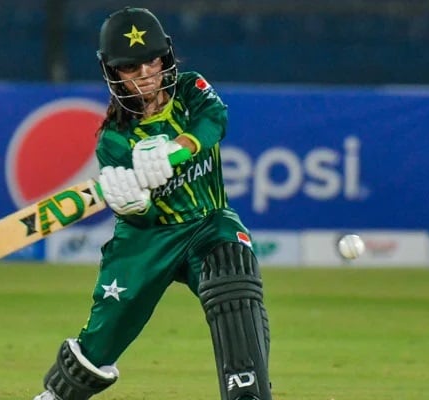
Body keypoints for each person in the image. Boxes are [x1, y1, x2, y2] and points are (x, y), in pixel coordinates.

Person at [33, 7, 272, 400]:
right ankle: (58, 394)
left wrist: (176, 151)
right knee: (106, 330)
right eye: (131, 67)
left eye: (152, 60)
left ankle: (247, 392)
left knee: (234, 275)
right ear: (114, 73)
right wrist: (131, 206)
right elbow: (140, 214)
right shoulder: (113, 140)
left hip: (206, 221)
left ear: (165, 57)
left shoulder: (190, 89)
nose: (146, 73)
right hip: (146, 239)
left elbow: (214, 120)